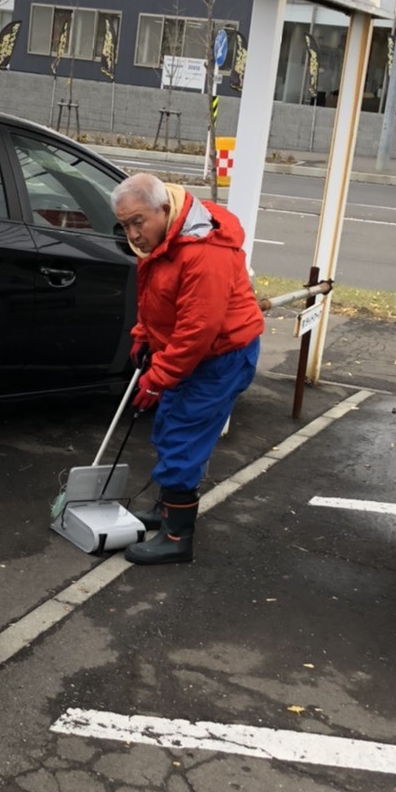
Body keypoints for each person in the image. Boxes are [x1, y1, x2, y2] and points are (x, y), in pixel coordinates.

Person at [112, 172, 264, 566]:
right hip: (192, 352)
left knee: (182, 434)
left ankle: (178, 537)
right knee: (168, 426)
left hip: (221, 356)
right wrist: (143, 335)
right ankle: (167, 511)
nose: (133, 233)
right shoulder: (165, 239)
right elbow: (154, 298)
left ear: (164, 209)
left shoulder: (202, 250)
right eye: (125, 224)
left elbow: (198, 329)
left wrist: (158, 377)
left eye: (137, 222)